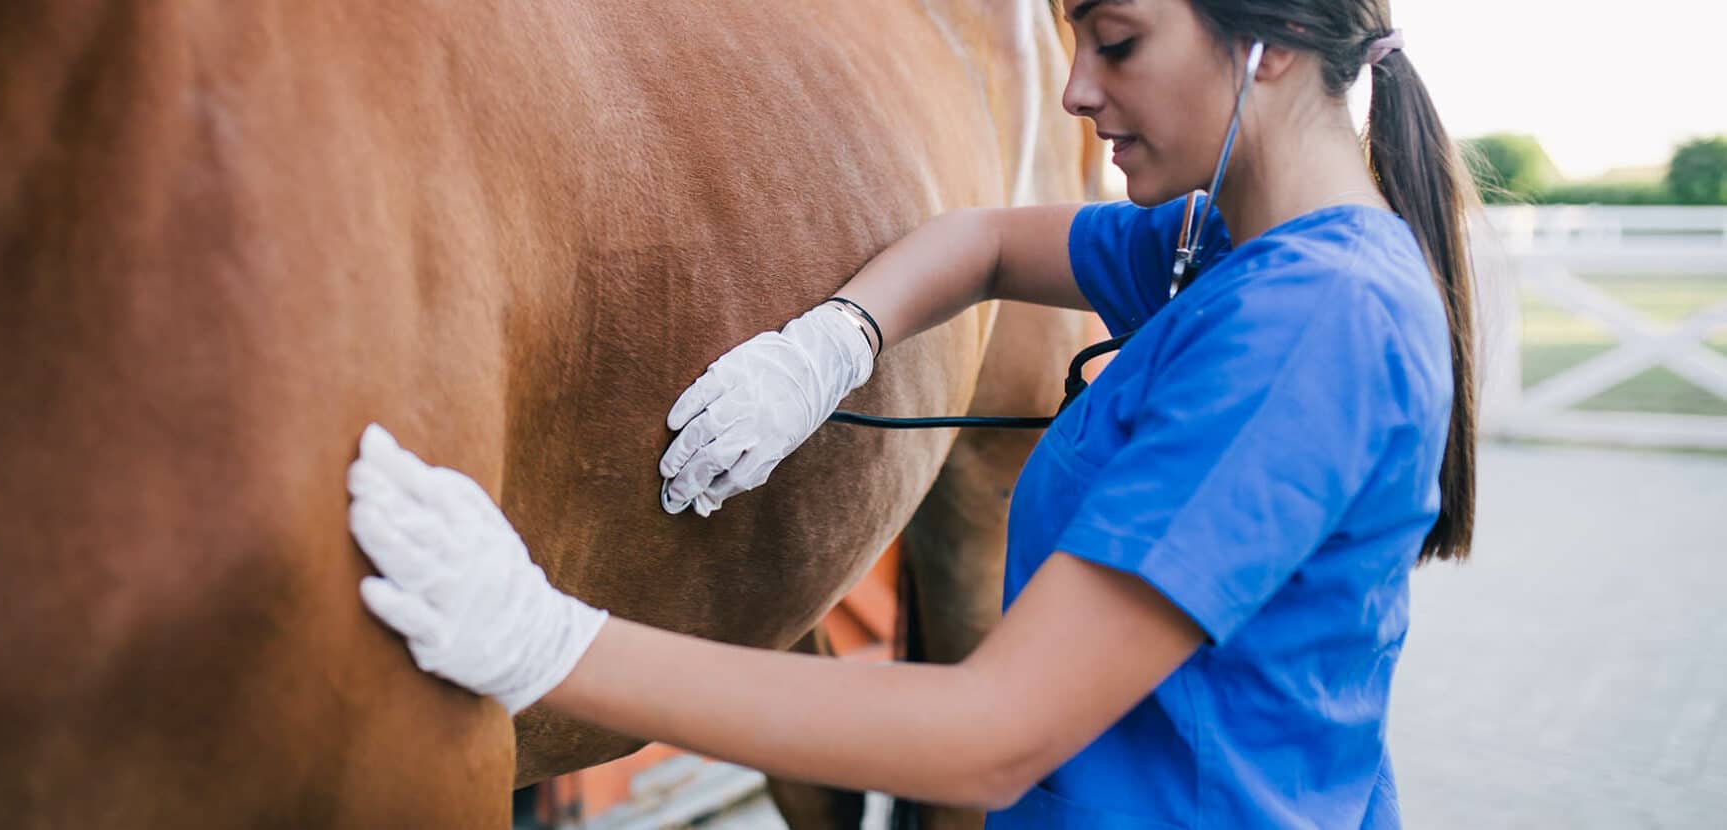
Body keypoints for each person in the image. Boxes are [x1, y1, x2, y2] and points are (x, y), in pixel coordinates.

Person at [342, 0, 1480, 824]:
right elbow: (984, 240)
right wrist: (830, 341)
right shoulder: (1223, 250)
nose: (1077, 88)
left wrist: (541, 640)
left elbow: (991, 733)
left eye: (1116, 40)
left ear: (1266, 42)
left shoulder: (1309, 324)